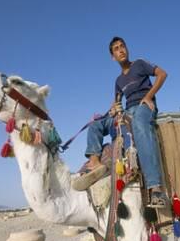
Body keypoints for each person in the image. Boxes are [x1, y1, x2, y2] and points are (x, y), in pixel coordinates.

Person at [72, 36, 169, 207]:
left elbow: (162, 74)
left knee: (139, 123)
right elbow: (116, 101)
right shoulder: (118, 81)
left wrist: (148, 96)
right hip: (127, 111)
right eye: (116, 48)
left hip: (144, 106)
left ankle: (156, 189)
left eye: (122, 46)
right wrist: (112, 111)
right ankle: (95, 164)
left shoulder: (139, 64)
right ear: (113, 56)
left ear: (127, 49)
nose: (121, 50)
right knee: (96, 123)